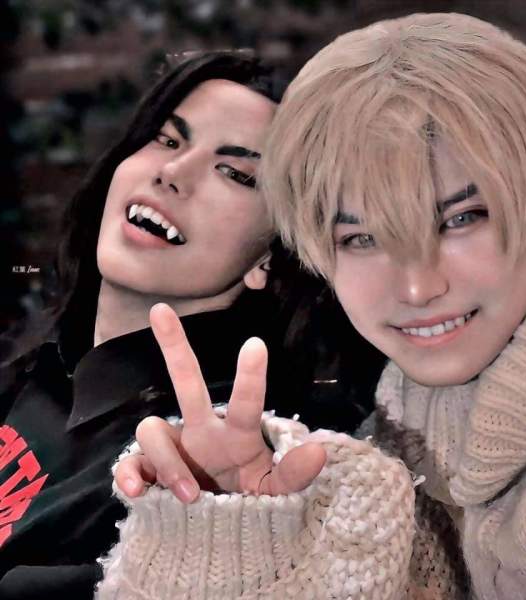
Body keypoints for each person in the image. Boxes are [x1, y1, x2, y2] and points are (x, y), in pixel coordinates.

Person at [100, 12, 526, 600]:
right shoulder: (377, 465)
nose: (416, 290)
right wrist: (232, 537)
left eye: (460, 219)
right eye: (362, 238)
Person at [0, 50, 383, 599]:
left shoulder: (215, 464)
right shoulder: (35, 359)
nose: (173, 173)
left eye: (236, 173)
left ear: (269, 257)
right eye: (168, 139)